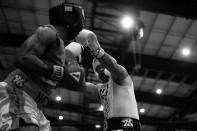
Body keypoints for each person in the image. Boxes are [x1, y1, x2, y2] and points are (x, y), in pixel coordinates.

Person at [0, 3, 85, 131]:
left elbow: (68, 81)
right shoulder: (48, 32)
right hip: (17, 92)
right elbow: (22, 57)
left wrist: (67, 73)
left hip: (36, 105)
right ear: (70, 18)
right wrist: (52, 71)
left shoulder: (60, 52)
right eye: (81, 19)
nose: (81, 25)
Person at [75, 29, 141, 131]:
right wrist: (68, 63)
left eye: (102, 66)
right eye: (97, 69)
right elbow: (80, 85)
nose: (100, 70)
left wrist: (96, 50)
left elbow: (113, 67)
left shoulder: (122, 76)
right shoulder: (100, 90)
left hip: (128, 126)